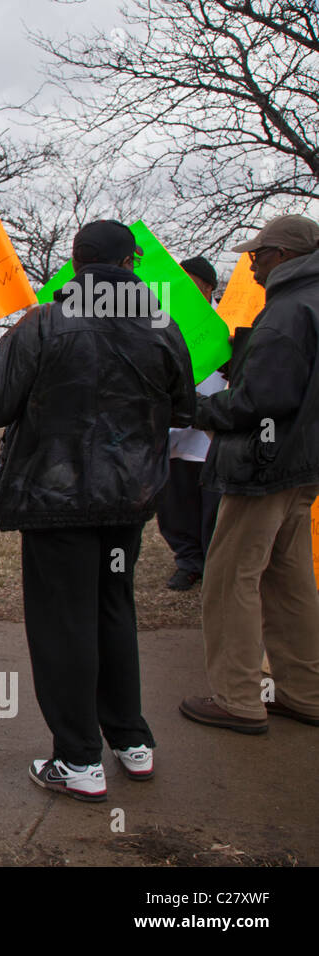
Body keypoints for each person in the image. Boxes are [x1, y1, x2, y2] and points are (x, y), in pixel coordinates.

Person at [0, 220, 195, 801]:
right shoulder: (164, 325)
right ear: (133, 262)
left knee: (65, 625)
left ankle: (78, 759)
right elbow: (184, 408)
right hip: (126, 505)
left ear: (75, 262)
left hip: (56, 505)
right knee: (114, 612)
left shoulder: (45, 324)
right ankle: (132, 743)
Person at [180, 214, 319, 733]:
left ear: (281, 256)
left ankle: (237, 697)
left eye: (257, 255)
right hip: (303, 464)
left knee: (230, 578)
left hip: (264, 467)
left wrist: (196, 408)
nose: (250, 263)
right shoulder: (308, 304)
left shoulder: (285, 313)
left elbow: (260, 403)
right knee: (290, 580)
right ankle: (306, 691)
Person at [155, 257, 226, 590]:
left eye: (190, 282)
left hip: (210, 436)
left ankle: (215, 565)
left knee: (213, 507)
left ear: (207, 287)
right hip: (173, 436)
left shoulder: (224, 324)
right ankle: (188, 561)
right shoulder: (165, 321)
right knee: (175, 506)